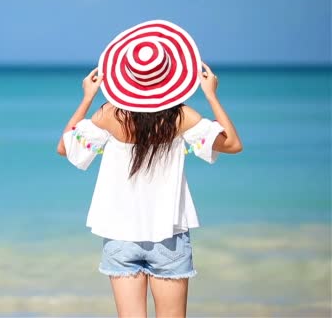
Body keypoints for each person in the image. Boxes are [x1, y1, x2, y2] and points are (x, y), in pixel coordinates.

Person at [56, 20, 243, 318]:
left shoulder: (109, 115)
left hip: (120, 236)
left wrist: (88, 97)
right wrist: (211, 94)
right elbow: (232, 144)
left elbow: (66, 148)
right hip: (168, 235)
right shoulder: (182, 117)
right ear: (169, 77)